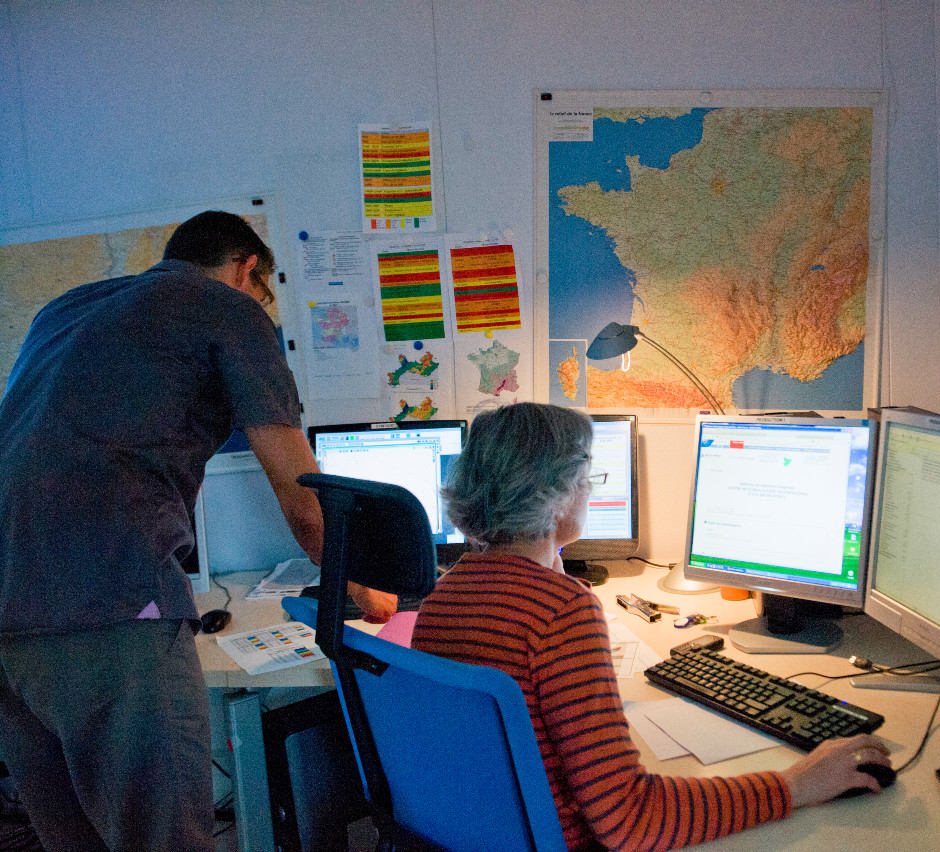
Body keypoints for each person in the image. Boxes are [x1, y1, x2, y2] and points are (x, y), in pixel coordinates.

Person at [0, 211, 393, 852]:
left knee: (73, 841)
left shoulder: (65, 309)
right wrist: (360, 590)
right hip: (108, 609)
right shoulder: (230, 311)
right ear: (248, 271)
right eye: (265, 293)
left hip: (7, 624)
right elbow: (305, 502)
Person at [412, 402, 891, 852]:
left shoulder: (444, 597)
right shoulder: (561, 615)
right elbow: (630, 818)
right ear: (556, 499)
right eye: (586, 477)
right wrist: (797, 784)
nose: (590, 490)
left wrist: (549, 564)